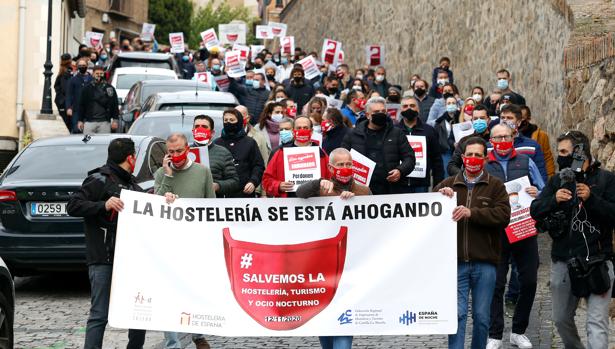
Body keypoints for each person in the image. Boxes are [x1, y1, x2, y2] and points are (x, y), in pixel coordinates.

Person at [530, 130, 615, 349]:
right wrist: (553, 200)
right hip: (564, 262)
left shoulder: (606, 179)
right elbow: (535, 210)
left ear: (580, 152)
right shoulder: (558, 180)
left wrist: (591, 199)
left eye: (565, 152)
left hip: (598, 261)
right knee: (560, 319)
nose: (561, 157)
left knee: (596, 321)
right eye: (559, 152)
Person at [67, 138, 147, 349]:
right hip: (103, 258)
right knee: (99, 315)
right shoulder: (98, 180)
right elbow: (73, 206)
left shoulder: (132, 184)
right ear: (131, 157)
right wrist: (104, 205)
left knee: (137, 315)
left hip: (129, 260)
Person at [434, 136, 511, 349]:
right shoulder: (448, 184)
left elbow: (503, 216)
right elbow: (428, 212)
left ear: (485, 159)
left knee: (482, 317)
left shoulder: (495, 186)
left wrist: (472, 213)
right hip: (456, 262)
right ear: (463, 158)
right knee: (457, 315)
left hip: (485, 262)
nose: (473, 159)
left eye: (478, 155)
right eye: (470, 155)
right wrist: (440, 196)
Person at [484, 124, 545, 349]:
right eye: (498, 137)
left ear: (513, 137)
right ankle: (495, 334)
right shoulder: (483, 164)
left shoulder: (525, 161)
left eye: (506, 136)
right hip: (496, 232)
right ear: (491, 140)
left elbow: (543, 187)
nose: (502, 140)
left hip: (523, 229)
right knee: (496, 284)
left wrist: (536, 193)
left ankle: (518, 331)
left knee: (528, 281)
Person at [154, 133, 215, 349]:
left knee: (194, 290)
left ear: (187, 149)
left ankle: (198, 334)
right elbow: (155, 205)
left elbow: (212, 207)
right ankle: (172, 343)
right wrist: (168, 177)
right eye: (171, 152)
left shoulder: (202, 172)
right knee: (169, 292)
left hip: (195, 242)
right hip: (169, 243)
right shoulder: (162, 172)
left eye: (179, 151)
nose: (175, 155)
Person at [341, 96, 415, 195]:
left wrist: (400, 171)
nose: (380, 114)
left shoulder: (397, 133)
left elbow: (409, 158)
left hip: (390, 190)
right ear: (367, 115)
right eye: (376, 112)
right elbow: (341, 159)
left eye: (383, 111)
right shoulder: (352, 134)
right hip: (360, 190)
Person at [262, 116, 329, 198]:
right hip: (288, 204)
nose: (302, 130)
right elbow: (266, 180)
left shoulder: (321, 155)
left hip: (315, 204)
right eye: (298, 128)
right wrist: (278, 186)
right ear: (293, 131)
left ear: (311, 131)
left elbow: (331, 181)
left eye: (305, 128)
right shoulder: (281, 153)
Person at [214, 109, 264, 197]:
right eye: (225, 120)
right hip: (221, 195)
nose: (228, 123)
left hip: (244, 193)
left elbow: (258, 166)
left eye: (232, 120)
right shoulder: (217, 143)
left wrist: (253, 182)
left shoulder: (250, 143)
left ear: (239, 121)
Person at [398, 96, 444, 192]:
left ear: (418, 109)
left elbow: (437, 160)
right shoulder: (394, 131)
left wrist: (438, 185)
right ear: (400, 110)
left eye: (412, 105)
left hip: (421, 185)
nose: (409, 108)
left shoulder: (429, 131)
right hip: (399, 184)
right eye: (405, 106)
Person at [191, 115, 240, 198]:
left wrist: (217, 186)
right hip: (188, 203)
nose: (200, 129)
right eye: (197, 126)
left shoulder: (223, 153)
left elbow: (234, 181)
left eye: (204, 127)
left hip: (213, 204)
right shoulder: (184, 151)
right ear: (193, 131)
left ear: (212, 132)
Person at [497, 104, 548, 183]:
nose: (505, 121)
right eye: (502, 118)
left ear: (519, 122)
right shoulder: (489, 146)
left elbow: (541, 175)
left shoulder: (532, 146)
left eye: (509, 118)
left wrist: (538, 191)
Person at [447, 105, 492, 176]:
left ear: (489, 120)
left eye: (482, 118)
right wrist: (465, 177)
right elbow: (452, 165)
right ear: (472, 121)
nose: (479, 121)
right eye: (476, 118)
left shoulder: (496, 139)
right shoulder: (465, 141)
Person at [77, 66, 119, 134]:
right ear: (93, 74)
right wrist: (80, 120)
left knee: (103, 143)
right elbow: (81, 105)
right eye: (97, 73)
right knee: (87, 142)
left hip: (104, 123)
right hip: (89, 123)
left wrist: (115, 120)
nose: (99, 75)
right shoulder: (87, 88)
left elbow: (114, 104)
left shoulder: (110, 88)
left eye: (101, 73)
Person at [519, 105, 555, 178]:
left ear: (528, 119)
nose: (520, 121)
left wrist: (550, 176)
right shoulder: (511, 136)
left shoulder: (541, 135)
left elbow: (547, 157)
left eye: (522, 118)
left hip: (537, 174)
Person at [433, 97, 460, 178]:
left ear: (457, 105)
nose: (451, 105)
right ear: (445, 105)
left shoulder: (461, 118)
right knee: (447, 174)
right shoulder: (440, 121)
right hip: (446, 150)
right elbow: (437, 138)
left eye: (453, 103)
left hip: (460, 150)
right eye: (449, 103)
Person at [66, 58, 92, 133]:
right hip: (76, 109)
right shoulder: (73, 80)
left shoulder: (92, 79)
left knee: (88, 131)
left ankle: (86, 143)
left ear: (87, 66)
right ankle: (77, 143)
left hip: (89, 110)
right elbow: (69, 94)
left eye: (84, 65)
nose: (82, 67)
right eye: (80, 65)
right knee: (76, 129)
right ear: (77, 66)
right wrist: (68, 108)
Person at [54, 53, 73, 131]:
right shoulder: (66, 73)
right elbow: (66, 89)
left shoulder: (62, 72)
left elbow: (56, 86)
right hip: (64, 103)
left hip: (62, 102)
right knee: (67, 124)